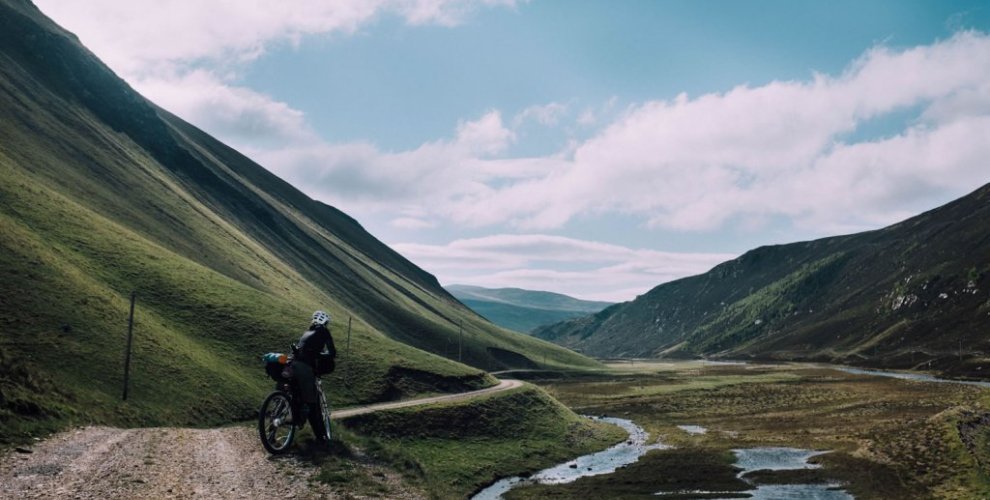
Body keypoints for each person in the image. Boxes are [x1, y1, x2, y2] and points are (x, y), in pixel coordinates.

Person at [292, 310, 337, 445]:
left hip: (293, 364)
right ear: (325, 322)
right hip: (305, 367)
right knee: (312, 403)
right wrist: (321, 355)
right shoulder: (324, 331)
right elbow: (332, 352)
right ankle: (322, 438)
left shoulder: (307, 332)